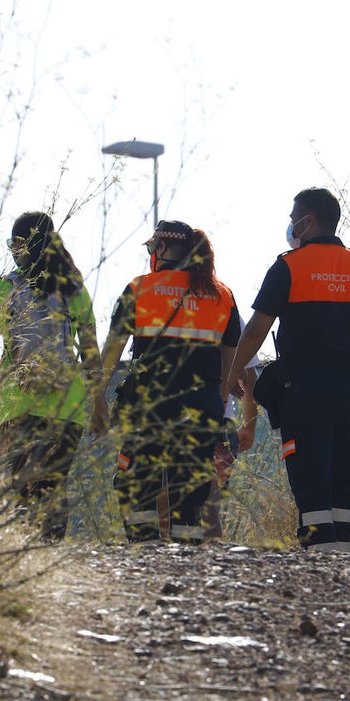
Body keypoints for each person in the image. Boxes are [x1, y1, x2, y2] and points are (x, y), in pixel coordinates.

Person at [224, 187, 350, 552]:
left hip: (304, 394)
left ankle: (321, 561)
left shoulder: (289, 266)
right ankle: (340, 556)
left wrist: (233, 372)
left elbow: (257, 328)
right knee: (343, 475)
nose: (291, 226)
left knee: (309, 475)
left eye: (293, 220)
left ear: (309, 221)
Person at [100, 220, 242, 545]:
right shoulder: (221, 295)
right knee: (189, 495)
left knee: (136, 485)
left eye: (152, 248)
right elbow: (229, 364)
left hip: (150, 406)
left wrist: (97, 403)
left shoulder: (139, 289)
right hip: (201, 408)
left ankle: (145, 555)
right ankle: (185, 570)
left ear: (162, 248)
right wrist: (218, 407)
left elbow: (111, 356)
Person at [0, 211, 109, 541]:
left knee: (24, 487)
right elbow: (91, 352)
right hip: (69, 406)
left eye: (14, 243)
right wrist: (98, 404)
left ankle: (30, 565)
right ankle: (51, 553)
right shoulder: (73, 290)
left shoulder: (1, 290)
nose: (11, 249)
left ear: (23, 244)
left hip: (17, 404)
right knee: (53, 486)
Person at [202, 356, 259, 542]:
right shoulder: (233, 325)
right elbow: (249, 377)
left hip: (175, 419)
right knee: (209, 507)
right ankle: (212, 564)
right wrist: (249, 425)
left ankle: (172, 561)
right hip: (221, 426)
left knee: (169, 502)